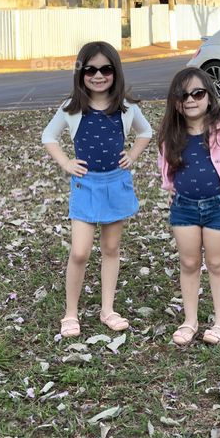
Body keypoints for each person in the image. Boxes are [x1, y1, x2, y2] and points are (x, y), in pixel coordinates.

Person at [42, 40, 152, 337]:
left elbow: (146, 132)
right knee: (79, 252)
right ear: (81, 73)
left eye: (106, 69)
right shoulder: (71, 108)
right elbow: (49, 136)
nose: (98, 75)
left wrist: (132, 155)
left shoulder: (125, 107)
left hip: (115, 183)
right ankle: (71, 313)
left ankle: (108, 309)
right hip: (86, 186)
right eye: (91, 69)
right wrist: (66, 163)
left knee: (111, 248)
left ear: (115, 71)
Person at [158, 67, 220, 347]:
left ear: (209, 96)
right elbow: (165, 162)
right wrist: (170, 188)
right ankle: (190, 321)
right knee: (189, 263)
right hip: (184, 208)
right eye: (183, 94)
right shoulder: (171, 132)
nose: (191, 99)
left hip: (218, 207)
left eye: (198, 93)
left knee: (216, 264)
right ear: (175, 100)